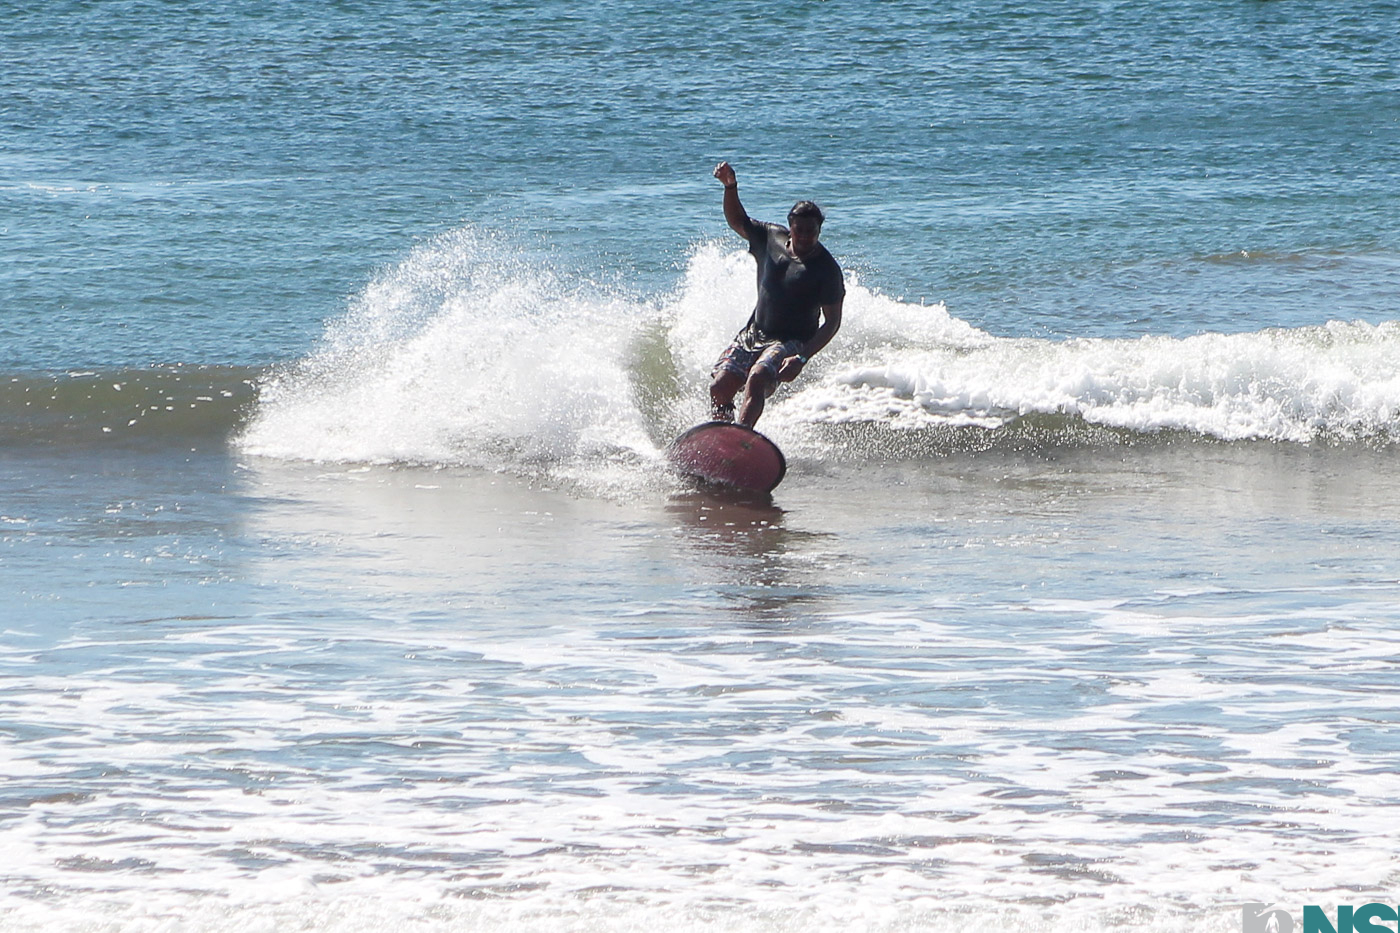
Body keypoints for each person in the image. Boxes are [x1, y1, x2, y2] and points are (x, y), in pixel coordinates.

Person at [708, 161, 845, 428]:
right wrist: (730, 187)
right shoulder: (771, 238)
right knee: (719, 386)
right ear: (790, 227)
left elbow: (832, 323)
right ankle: (722, 437)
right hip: (754, 333)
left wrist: (802, 357)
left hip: (791, 341)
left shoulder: (827, 270)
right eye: (800, 230)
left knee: (757, 377)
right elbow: (738, 221)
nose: (805, 237)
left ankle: (741, 436)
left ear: (820, 231)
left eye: (812, 232)